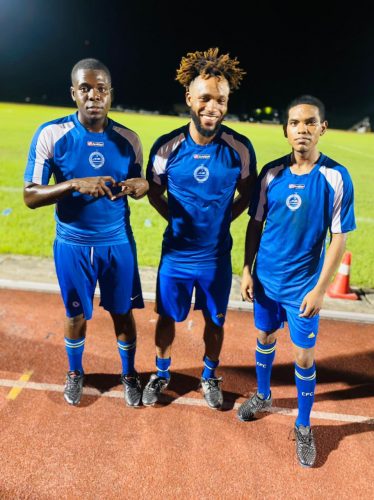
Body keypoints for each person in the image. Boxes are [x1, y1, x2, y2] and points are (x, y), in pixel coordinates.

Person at [238, 95, 356, 467]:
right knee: (263, 337)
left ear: (322, 128)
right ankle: (263, 395)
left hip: (303, 288)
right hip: (266, 281)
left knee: (303, 355)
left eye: (309, 122)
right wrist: (245, 268)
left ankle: (304, 425)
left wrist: (320, 289)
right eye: (294, 123)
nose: (301, 129)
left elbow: (339, 236)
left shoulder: (335, 177)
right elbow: (254, 224)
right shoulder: (271, 174)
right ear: (286, 129)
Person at [23, 58, 148, 407]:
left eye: (101, 88)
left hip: (117, 242)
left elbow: (137, 183)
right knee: (75, 314)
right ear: (73, 93)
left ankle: (128, 373)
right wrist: (74, 183)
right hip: (72, 244)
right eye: (85, 88)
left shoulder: (129, 140)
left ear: (111, 93)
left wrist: (142, 186)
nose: (94, 95)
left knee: (122, 313)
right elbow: (30, 195)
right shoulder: (52, 134)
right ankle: (75, 372)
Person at [142, 48, 257, 409]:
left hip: (215, 258)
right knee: (166, 319)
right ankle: (161, 372)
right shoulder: (168, 147)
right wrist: (174, 219)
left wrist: (225, 219)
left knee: (215, 322)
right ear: (189, 98)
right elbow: (153, 191)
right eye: (205, 98)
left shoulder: (238, 148)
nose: (213, 107)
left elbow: (251, 197)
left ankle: (209, 375)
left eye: (220, 100)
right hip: (175, 256)